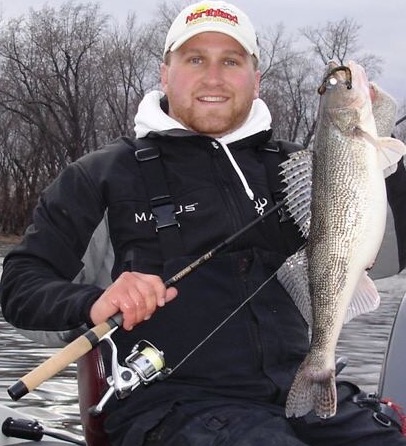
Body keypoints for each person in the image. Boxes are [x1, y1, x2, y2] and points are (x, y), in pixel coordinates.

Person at [1, 1, 406, 445]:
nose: (212, 78)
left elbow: (385, 255)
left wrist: (387, 164)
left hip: (302, 392)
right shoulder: (100, 176)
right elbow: (19, 286)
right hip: (168, 410)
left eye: (230, 61)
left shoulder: (299, 167)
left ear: (256, 80)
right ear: (165, 73)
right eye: (195, 59)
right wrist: (95, 302)